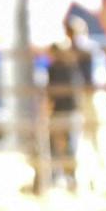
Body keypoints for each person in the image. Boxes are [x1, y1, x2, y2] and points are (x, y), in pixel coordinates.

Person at [40, 16, 92, 192]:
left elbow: (50, 93)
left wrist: (45, 112)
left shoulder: (57, 67)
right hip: (72, 110)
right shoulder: (74, 63)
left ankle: (58, 178)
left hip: (62, 111)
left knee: (58, 146)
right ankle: (70, 179)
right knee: (70, 146)